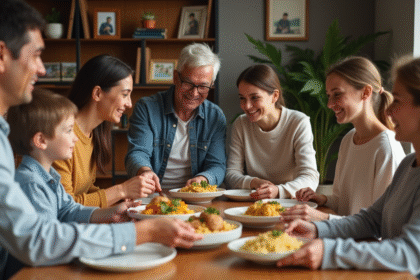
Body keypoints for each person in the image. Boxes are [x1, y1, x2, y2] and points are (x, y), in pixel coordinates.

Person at [0, 0, 201, 277]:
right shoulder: (33, 174)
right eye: (35, 55)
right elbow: (38, 239)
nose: (42, 69)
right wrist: (140, 231)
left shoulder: (79, 145)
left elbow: (68, 208)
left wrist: (111, 215)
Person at [276, 56, 420, 275]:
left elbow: (411, 254)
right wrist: (317, 229)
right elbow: (372, 219)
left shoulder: (388, 148)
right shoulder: (409, 164)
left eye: (398, 101)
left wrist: (329, 250)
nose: (389, 111)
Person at [281, 56, 405, 221]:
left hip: (365, 245)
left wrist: (323, 218)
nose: (330, 104)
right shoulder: (348, 140)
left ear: (366, 92)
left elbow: (381, 224)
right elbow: (342, 202)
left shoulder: (386, 148)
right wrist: (323, 199)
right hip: (343, 239)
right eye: (329, 95)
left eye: (337, 94)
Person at [53, 54, 159, 208]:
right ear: (97, 93)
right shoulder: (61, 135)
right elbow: (64, 206)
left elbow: (86, 191)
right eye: (124, 94)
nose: (129, 103)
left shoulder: (93, 133)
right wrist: (121, 191)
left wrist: (120, 200)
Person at [125, 43, 226, 191]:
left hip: (195, 197)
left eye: (203, 86)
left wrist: (203, 179)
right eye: (188, 83)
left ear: (211, 84)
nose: (194, 93)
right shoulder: (147, 108)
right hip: (153, 196)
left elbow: (217, 165)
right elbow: (138, 152)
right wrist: (145, 172)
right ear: (175, 77)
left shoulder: (215, 116)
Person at [225, 64, 319, 199]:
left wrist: (278, 191)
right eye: (242, 98)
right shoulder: (241, 124)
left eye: (254, 97)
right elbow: (231, 174)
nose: (247, 106)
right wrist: (254, 182)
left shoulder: (298, 122)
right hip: (254, 201)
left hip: (289, 202)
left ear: (274, 96)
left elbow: (310, 176)